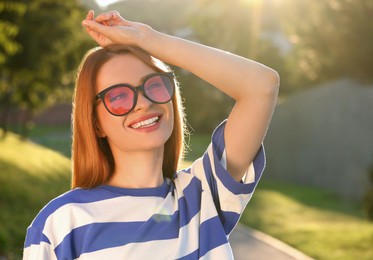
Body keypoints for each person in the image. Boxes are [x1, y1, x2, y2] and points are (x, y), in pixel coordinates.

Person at [23, 10, 279, 259]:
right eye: (119, 96)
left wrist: (146, 39)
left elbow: (261, 85)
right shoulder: (61, 223)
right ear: (96, 123)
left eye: (153, 85)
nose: (144, 103)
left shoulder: (202, 196)